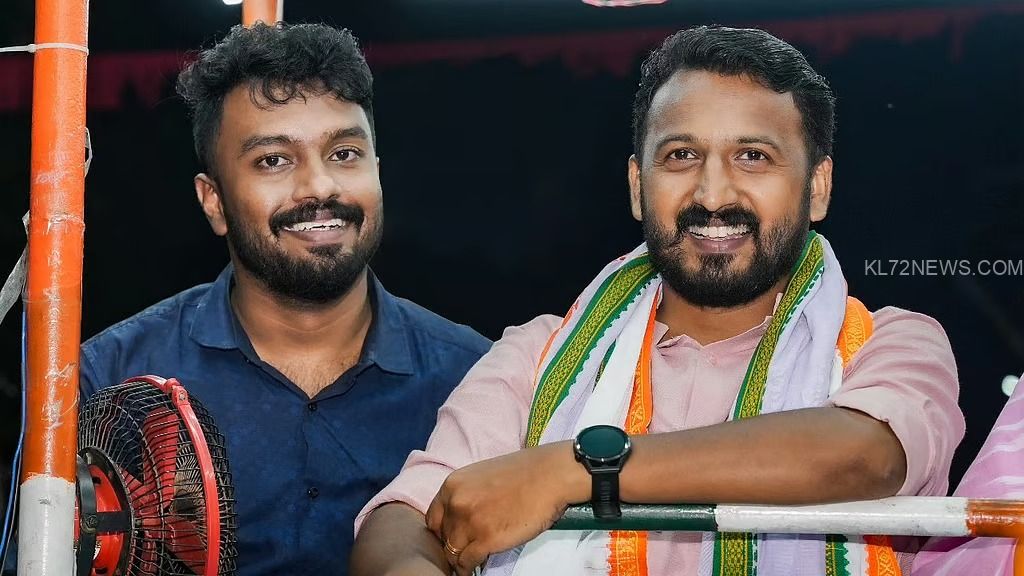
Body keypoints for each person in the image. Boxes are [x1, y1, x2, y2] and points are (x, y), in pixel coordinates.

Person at [351, 25, 964, 576]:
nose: (713, 194)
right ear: (637, 185)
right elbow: (406, 517)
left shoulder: (889, 344)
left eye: (753, 157)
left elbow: (864, 456)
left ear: (819, 186)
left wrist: (576, 471)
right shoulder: (540, 355)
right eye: (681, 156)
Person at [79, 22, 490, 575]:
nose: (319, 187)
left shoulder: (476, 380)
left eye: (345, 153)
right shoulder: (109, 382)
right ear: (214, 202)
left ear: (377, 172)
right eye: (273, 160)